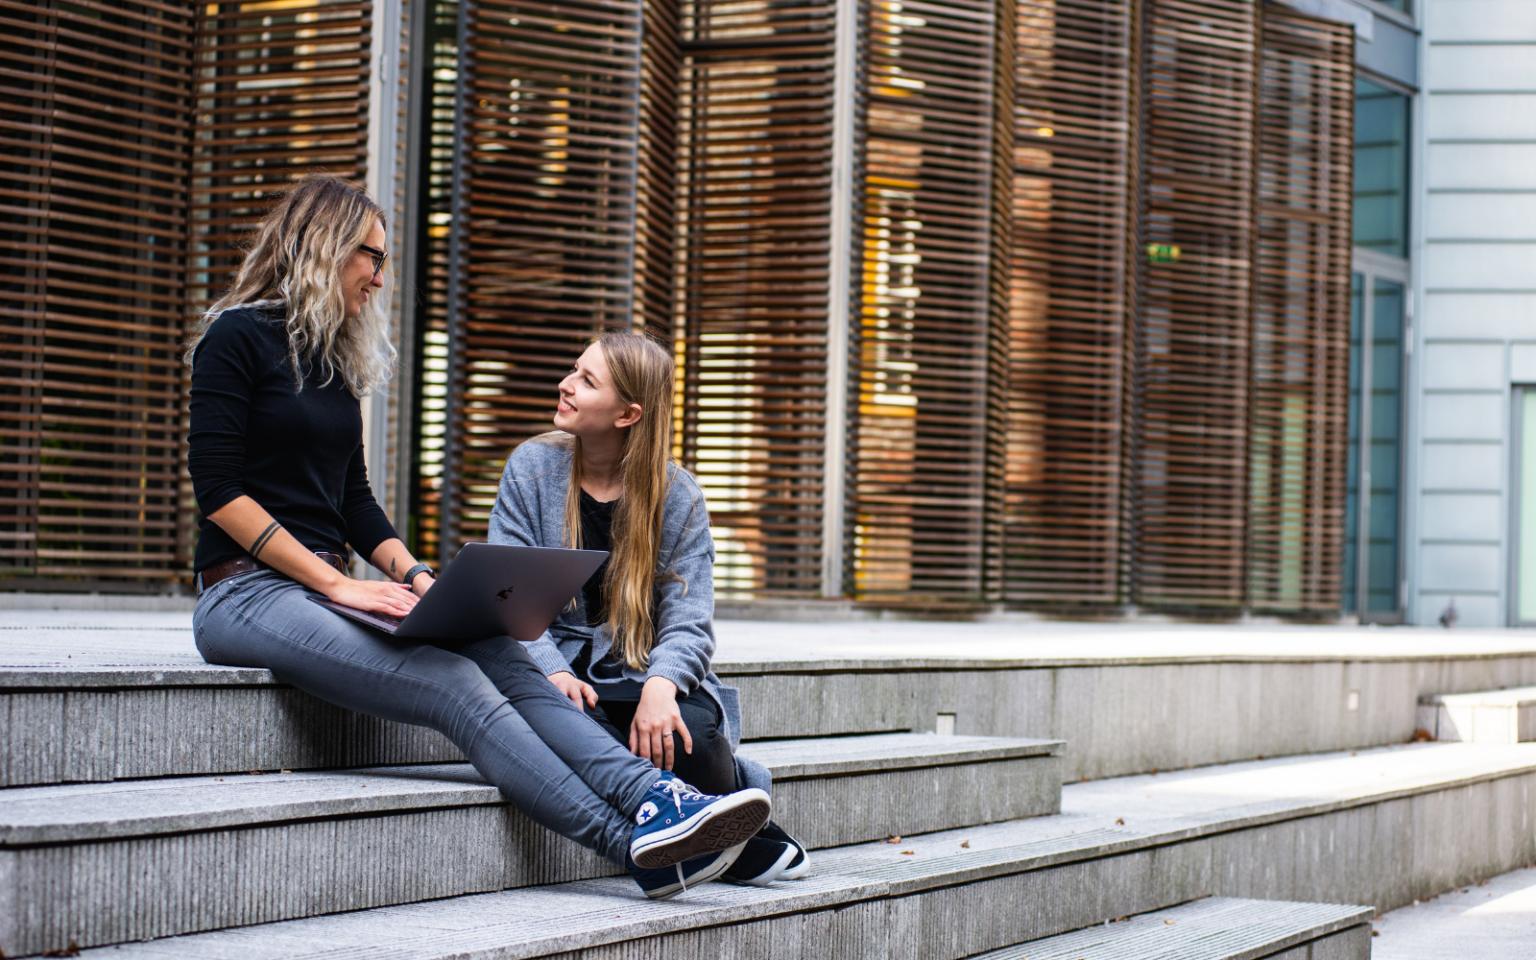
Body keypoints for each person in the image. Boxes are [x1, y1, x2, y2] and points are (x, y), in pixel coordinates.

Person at [184, 175, 769, 901]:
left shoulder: (332, 364)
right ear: (325, 245)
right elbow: (218, 493)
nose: (380, 274)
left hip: (328, 591)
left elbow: (356, 504)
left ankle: (655, 798)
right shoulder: (235, 337)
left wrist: (426, 583)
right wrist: (336, 582)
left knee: (497, 647)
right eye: (373, 255)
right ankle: (633, 846)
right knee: (455, 683)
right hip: (246, 594)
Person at [487, 331, 810, 886]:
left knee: (692, 734)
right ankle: (741, 839)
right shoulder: (531, 467)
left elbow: (690, 617)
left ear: (627, 414)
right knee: (566, 726)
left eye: (586, 381)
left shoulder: (677, 493)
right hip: (559, 666)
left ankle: (718, 806)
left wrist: (663, 685)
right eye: (574, 369)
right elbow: (506, 591)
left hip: (640, 668)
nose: (565, 385)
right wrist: (552, 668)